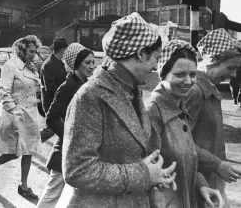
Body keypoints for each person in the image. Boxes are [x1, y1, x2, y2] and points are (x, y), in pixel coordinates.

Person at [56, 13, 177, 208]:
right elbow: (77, 170)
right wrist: (144, 174)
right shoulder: (90, 96)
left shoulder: (131, 91)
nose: (156, 66)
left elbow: (126, 154)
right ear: (140, 53)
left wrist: (153, 173)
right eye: (156, 58)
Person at [146, 40, 224, 208]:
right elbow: (149, 174)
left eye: (193, 74)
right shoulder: (152, 112)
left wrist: (202, 186)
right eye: (180, 74)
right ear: (163, 73)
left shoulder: (179, 106)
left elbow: (186, 156)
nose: (188, 81)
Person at [186, 28, 241, 207]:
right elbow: (180, 140)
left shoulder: (209, 87)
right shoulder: (195, 91)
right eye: (230, 68)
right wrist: (218, 165)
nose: (233, 75)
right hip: (199, 181)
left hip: (211, 179)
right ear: (213, 60)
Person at [37, 43, 95, 208]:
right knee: (52, 194)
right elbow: (52, 117)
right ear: (76, 64)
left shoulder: (86, 85)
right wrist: (70, 137)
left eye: (93, 62)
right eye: (87, 63)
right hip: (66, 150)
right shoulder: (68, 87)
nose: (92, 67)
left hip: (83, 151)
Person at [0, 35, 41, 200]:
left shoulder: (31, 68)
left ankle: (24, 186)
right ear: (23, 50)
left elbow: (34, 90)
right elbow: (4, 92)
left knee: (29, 151)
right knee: (13, 153)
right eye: (31, 51)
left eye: (35, 51)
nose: (34, 54)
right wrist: (15, 112)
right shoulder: (10, 66)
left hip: (30, 115)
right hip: (15, 115)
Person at [39, 37, 68, 142]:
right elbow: (50, 88)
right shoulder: (49, 64)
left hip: (58, 103)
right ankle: (30, 144)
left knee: (63, 131)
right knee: (52, 129)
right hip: (52, 103)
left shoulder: (59, 62)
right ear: (62, 50)